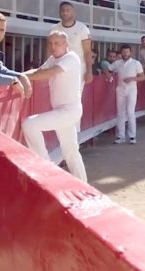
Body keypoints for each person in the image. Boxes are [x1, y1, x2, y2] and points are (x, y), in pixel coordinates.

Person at [22, 31, 87, 182]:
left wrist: (23, 77)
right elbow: (39, 72)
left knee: (29, 124)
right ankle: (84, 185)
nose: (53, 47)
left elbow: (51, 72)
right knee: (71, 151)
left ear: (66, 45)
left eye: (57, 43)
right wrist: (18, 75)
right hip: (62, 110)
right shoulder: (53, 58)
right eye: (50, 43)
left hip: (69, 111)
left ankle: (46, 169)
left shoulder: (71, 58)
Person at [105, 45, 144, 144]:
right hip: (120, 89)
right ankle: (120, 136)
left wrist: (132, 79)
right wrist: (109, 77)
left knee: (130, 112)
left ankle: (132, 136)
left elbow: (142, 77)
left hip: (132, 89)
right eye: (123, 52)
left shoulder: (136, 63)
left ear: (130, 52)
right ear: (121, 53)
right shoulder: (117, 63)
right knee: (120, 112)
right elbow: (108, 69)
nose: (125, 54)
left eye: (127, 52)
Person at [51, 2, 94, 86]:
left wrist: (89, 71)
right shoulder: (54, 29)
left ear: (74, 13)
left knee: (75, 97)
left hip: (78, 69)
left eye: (68, 10)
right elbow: (49, 50)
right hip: (58, 68)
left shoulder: (82, 29)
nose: (65, 12)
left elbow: (87, 52)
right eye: (62, 10)